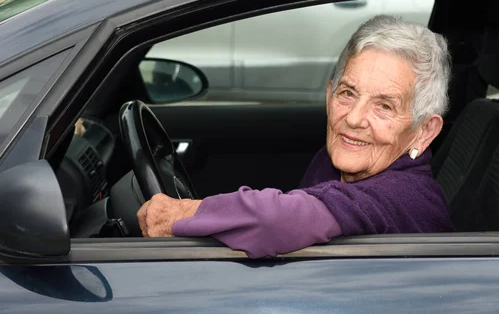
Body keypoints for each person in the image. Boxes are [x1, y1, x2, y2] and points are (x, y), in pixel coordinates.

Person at [137, 15, 454, 258]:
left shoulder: (406, 198)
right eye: (347, 94)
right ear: (329, 95)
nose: (354, 119)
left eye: (384, 106)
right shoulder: (338, 162)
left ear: (424, 131)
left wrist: (177, 214)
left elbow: (276, 220)